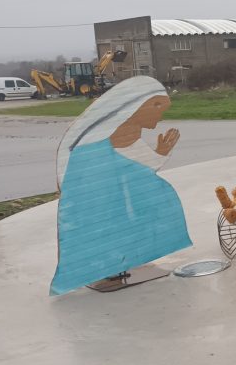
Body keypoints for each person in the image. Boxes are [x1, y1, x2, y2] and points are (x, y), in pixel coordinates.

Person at [50, 76, 192, 295]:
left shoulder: (130, 133)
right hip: (103, 206)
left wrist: (161, 153)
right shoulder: (92, 146)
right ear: (144, 105)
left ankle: (129, 259)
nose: (161, 116)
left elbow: (138, 164)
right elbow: (97, 180)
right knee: (111, 228)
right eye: (159, 108)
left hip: (125, 202)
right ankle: (109, 268)